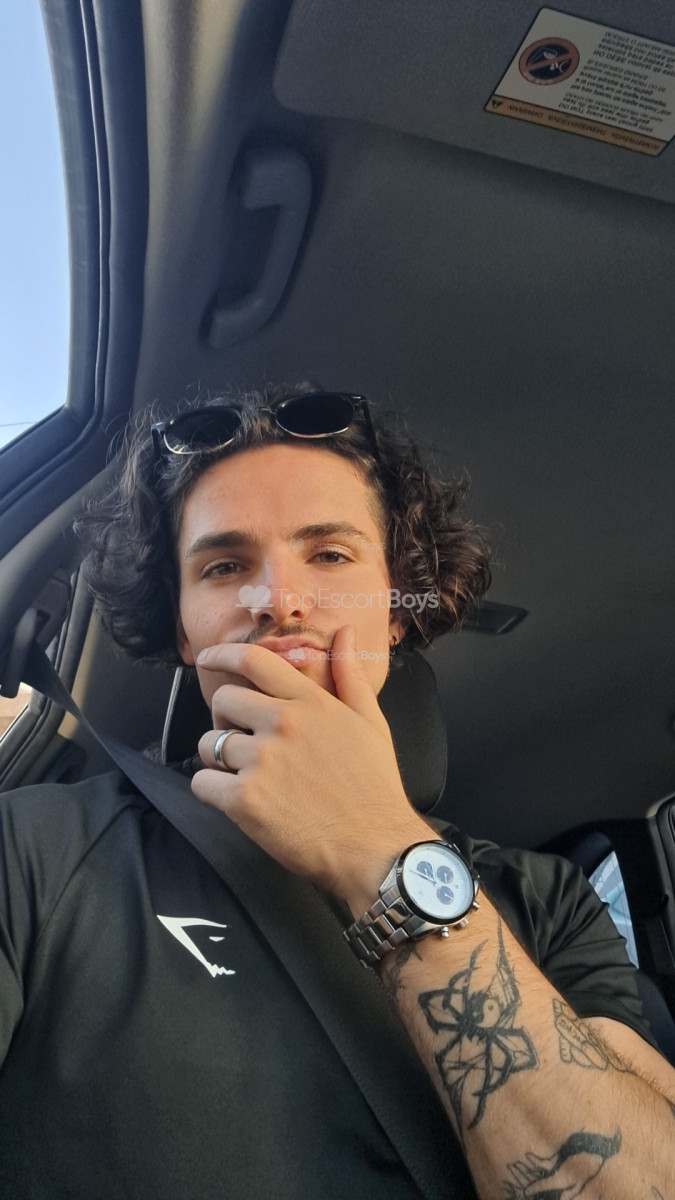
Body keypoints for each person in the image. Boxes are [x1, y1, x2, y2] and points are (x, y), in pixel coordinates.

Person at [0, 386, 673, 1200]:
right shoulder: (34, 848)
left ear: (393, 610)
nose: (279, 599)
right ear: (182, 627)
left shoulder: (549, 902)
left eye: (329, 555)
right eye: (224, 567)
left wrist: (376, 843)